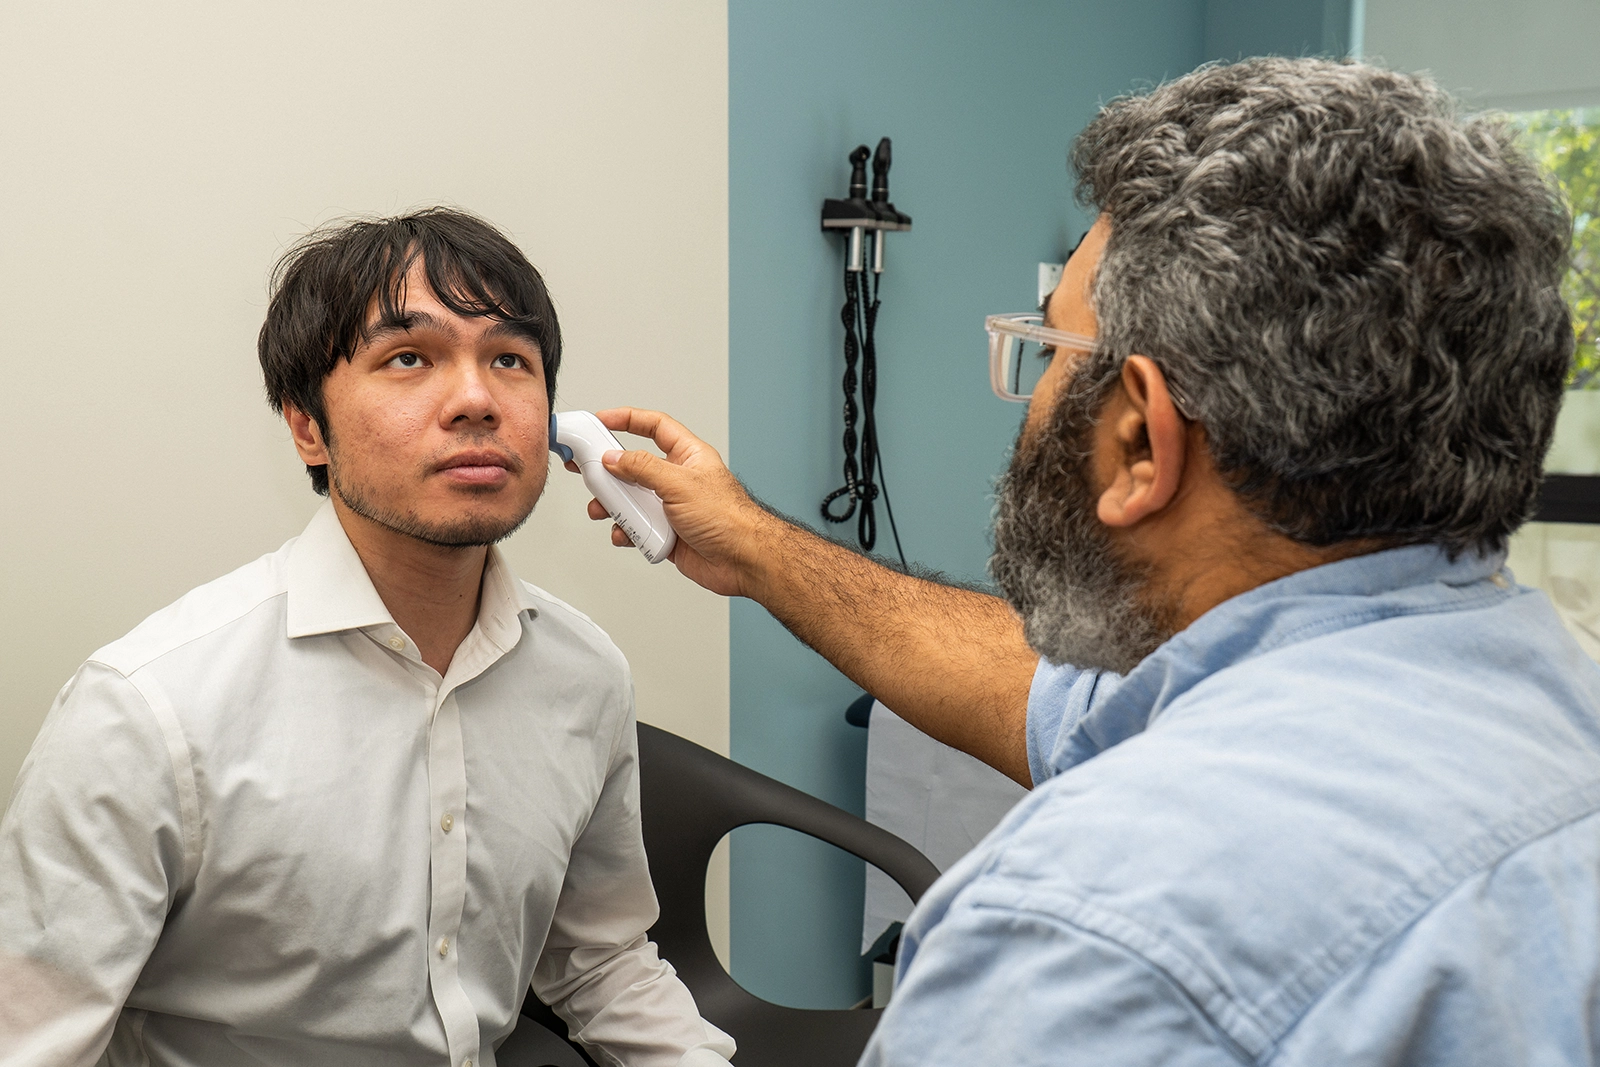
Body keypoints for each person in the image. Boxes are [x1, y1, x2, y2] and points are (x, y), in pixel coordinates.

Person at [583, 58, 1600, 1064]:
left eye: (1051, 349)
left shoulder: (1081, 934)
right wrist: (754, 544)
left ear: (1141, 442)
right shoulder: (1548, 698)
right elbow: (1062, 702)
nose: (1031, 396)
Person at [0, 209, 734, 1067]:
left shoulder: (584, 674)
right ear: (307, 425)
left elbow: (602, 961)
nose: (476, 400)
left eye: (510, 360)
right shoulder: (148, 708)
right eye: (409, 358)